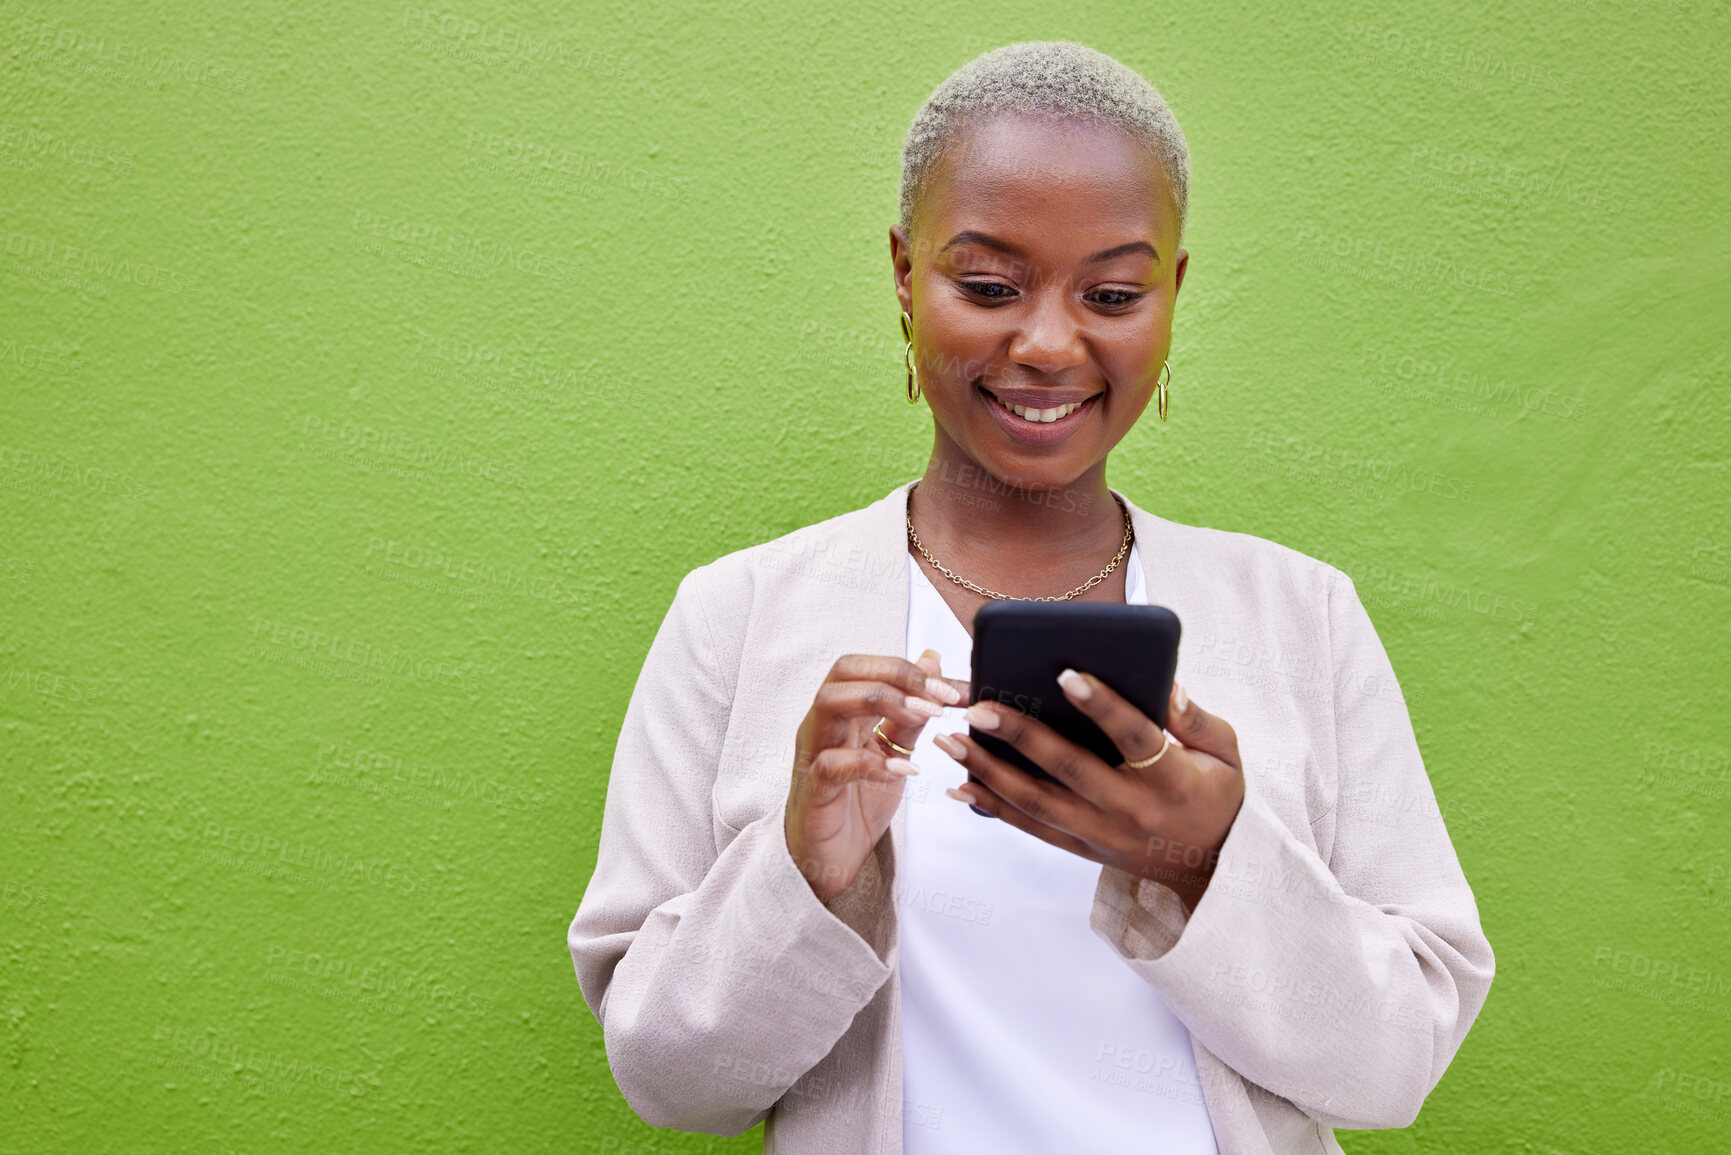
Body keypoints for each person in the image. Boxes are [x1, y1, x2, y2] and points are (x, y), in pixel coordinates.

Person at [568, 40, 1494, 1155]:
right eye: (990, 285)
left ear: (1172, 296)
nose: (1050, 343)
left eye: (1111, 292)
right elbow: (672, 1084)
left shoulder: (1305, 616)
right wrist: (806, 874)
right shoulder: (737, 616)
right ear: (906, 277)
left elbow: (1394, 1068)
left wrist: (1204, 862)